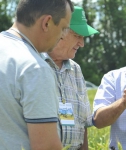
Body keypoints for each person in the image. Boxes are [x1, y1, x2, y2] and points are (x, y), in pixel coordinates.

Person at [0, 0, 73, 149]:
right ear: (47, 23)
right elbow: (47, 147)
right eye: (64, 28)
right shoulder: (34, 68)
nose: (63, 36)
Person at [41, 6, 99, 149]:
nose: (82, 43)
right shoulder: (33, 64)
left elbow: (84, 123)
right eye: (77, 35)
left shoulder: (76, 70)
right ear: (58, 30)